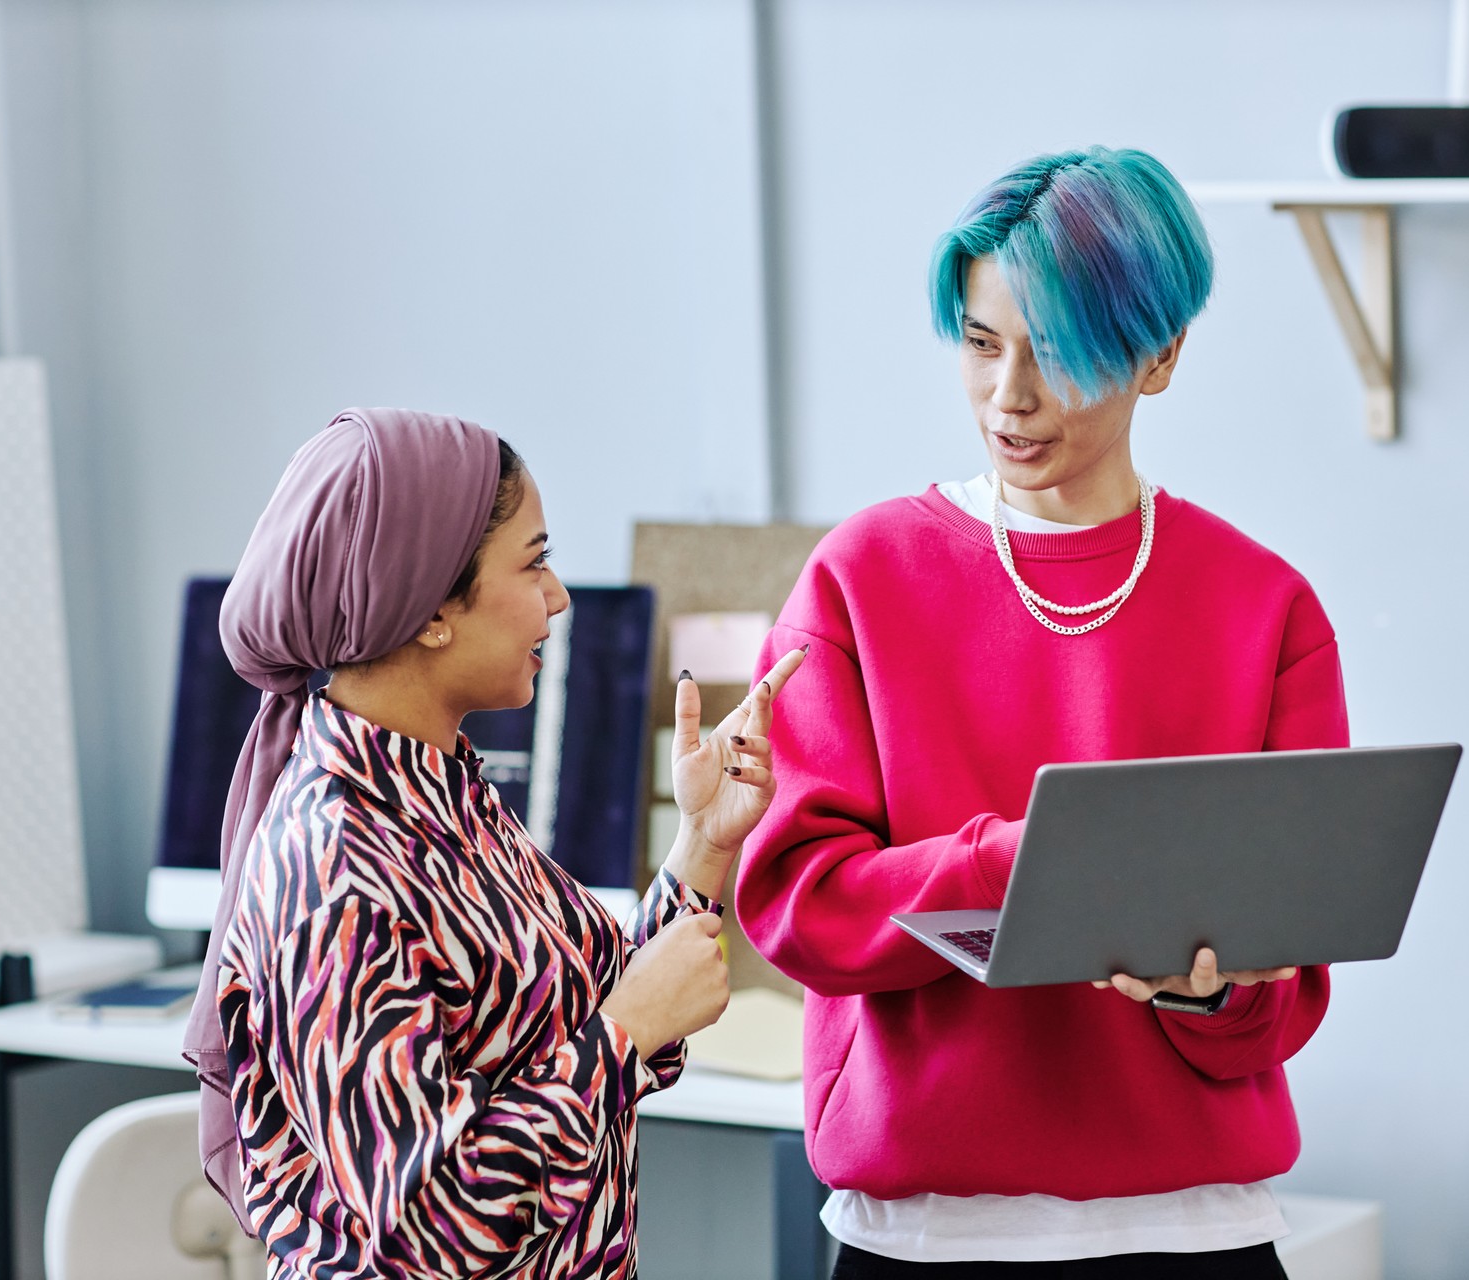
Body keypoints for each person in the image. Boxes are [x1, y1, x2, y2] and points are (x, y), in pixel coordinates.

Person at [737, 148, 1347, 1278]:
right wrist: (1020, 863)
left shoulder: (1268, 607)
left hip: (1198, 1236)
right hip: (921, 1241)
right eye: (979, 342)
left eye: (1055, 352)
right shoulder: (860, 578)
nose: (1007, 395)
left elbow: (1287, 999)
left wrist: (1207, 993)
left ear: (1159, 354)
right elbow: (799, 909)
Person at [181, 407, 807, 1279]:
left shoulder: (443, 790)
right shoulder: (333, 866)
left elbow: (578, 1029)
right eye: (536, 561)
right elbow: (430, 1225)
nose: (559, 598)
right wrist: (625, 1034)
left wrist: (702, 844)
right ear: (433, 603)